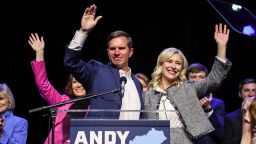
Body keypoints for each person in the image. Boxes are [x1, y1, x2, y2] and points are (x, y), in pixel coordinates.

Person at [144, 23, 232, 143]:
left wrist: (221, 47)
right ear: (161, 64)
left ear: (182, 68)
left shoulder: (188, 89)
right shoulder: (148, 94)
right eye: (169, 61)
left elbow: (215, 79)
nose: (173, 66)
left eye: (178, 63)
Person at [64, 4, 144, 119]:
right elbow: (71, 62)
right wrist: (83, 32)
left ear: (130, 52)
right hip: (104, 135)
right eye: (112, 49)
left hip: (133, 136)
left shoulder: (137, 84)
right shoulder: (96, 72)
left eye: (121, 48)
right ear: (108, 52)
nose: (116, 52)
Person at [28, 33, 90, 144]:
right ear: (70, 86)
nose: (79, 85)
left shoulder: (96, 105)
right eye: (75, 82)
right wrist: (39, 53)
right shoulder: (62, 101)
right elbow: (43, 85)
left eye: (82, 81)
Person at [187, 63, 225, 144]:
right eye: (193, 77)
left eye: (201, 77)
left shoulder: (217, 104)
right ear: (187, 80)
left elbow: (219, 134)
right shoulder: (180, 101)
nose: (197, 80)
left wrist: (208, 109)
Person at [223, 78, 256, 144]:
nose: (251, 94)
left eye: (254, 90)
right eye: (247, 90)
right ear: (240, 94)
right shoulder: (230, 118)